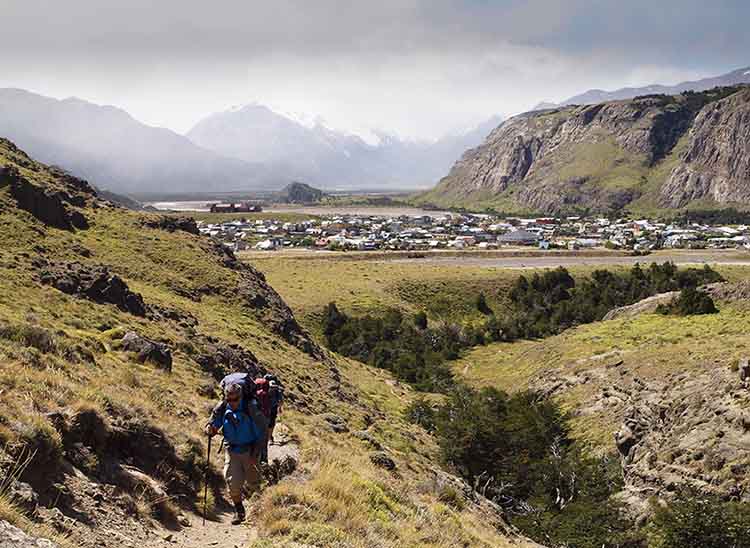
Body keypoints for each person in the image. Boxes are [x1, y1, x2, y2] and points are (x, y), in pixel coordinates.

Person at [205, 382, 263, 525]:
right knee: (232, 481)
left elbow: (261, 433)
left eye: (235, 399)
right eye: (229, 399)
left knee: (254, 483)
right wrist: (210, 429)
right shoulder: (223, 407)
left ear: (241, 396)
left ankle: (260, 511)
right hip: (232, 449)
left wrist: (255, 455)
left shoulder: (250, 408)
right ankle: (239, 511)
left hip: (250, 450)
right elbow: (213, 423)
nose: (232, 402)